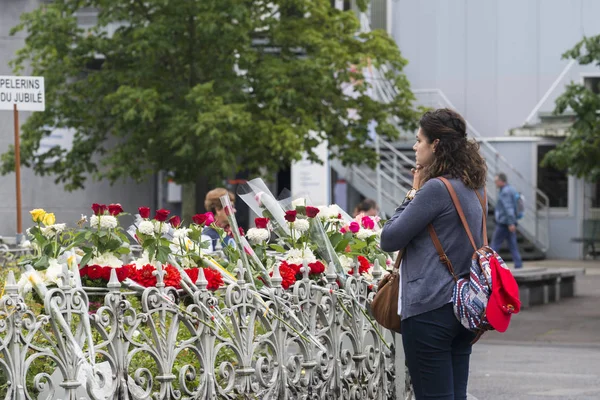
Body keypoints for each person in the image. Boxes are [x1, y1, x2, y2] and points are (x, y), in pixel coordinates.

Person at [380, 108, 487, 400]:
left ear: (435, 144)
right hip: (464, 308)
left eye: (419, 140)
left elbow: (389, 238)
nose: (415, 147)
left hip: (430, 309)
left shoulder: (435, 190)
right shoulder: (474, 188)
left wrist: (413, 191)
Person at [491, 173, 523, 269]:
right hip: (509, 223)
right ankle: (518, 264)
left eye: (496, 181)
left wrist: (510, 223)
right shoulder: (511, 189)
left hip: (504, 223)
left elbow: (508, 208)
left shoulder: (505, 192)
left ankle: (489, 265)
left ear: (501, 181)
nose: (495, 183)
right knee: (512, 245)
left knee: (494, 244)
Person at [201, 188, 237, 252]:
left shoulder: (231, 232)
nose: (234, 211)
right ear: (218, 210)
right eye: (230, 207)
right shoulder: (206, 236)